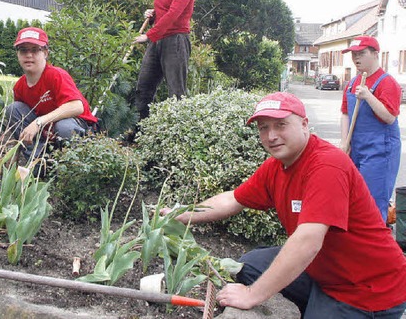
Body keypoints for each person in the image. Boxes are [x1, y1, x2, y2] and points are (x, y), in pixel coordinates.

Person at [162, 92, 406, 318]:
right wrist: (184, 214)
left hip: (366, 289)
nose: (271, 136)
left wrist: (252, 295)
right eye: (263, 128)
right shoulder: (278, 165)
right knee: (250, 266)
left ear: (303, 124)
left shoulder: (327, 166)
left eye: (281, 125)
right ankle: (315, 304)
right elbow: (233, 199)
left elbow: (308, 241)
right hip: (326, 269)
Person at [5, 27, 98, 159]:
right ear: (18, 54)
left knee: (64, 127)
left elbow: (77, 106)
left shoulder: (56, 75)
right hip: (46, 133)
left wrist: (39, 122)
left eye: (35, 50)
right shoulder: (20, 86)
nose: (29, 55)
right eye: (23, 50)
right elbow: (21, 122)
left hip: (75, 126)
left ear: (45, 53)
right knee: (13, 109)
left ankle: (71, 165)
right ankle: (39, 162)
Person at [339, 36, 401, 222]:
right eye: (354, 55)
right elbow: (345, 113)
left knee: (374, 203)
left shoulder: (387, 82)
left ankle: (377, 247)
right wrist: (344, 142)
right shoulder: (351, 83)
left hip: (380, 151)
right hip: (356, 149)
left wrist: (368, 96)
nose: (356, 58)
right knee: (354, 200)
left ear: (375, 54)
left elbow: (389, 117)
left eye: (361, 53)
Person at [133, 0, 195, 120]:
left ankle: (177, 133)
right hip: (157, 40)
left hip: (176, 41)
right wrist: (152, 16)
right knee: (144, 87)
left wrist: (148, 35)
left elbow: (173, 15)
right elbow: (162, 14)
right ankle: (142, 130)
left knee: (176, 91)